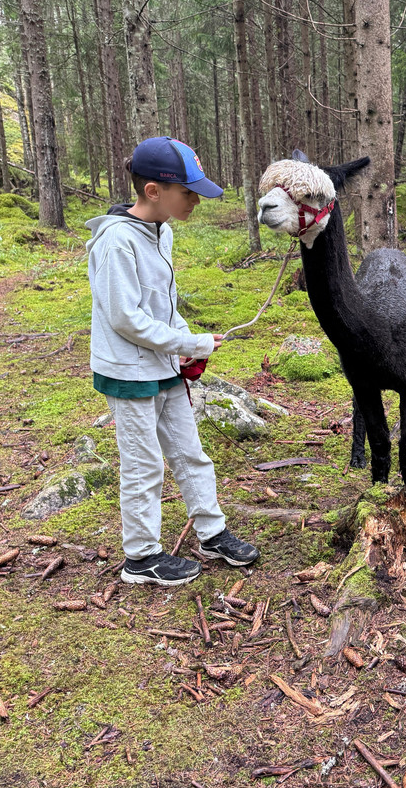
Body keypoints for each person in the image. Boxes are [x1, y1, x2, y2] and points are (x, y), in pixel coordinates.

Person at [87, 136, 259, 586]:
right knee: (144, 466)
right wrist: (190, 342)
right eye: (188, 193)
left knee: (190, 453)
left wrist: (184, 339)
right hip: (129, 372)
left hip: (163, 366)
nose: (195, 202)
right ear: (153, 191)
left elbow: (162, 304)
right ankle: (141, 558)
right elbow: (125, 317)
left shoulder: (159, 231)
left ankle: (211, 532)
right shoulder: (116, 243)